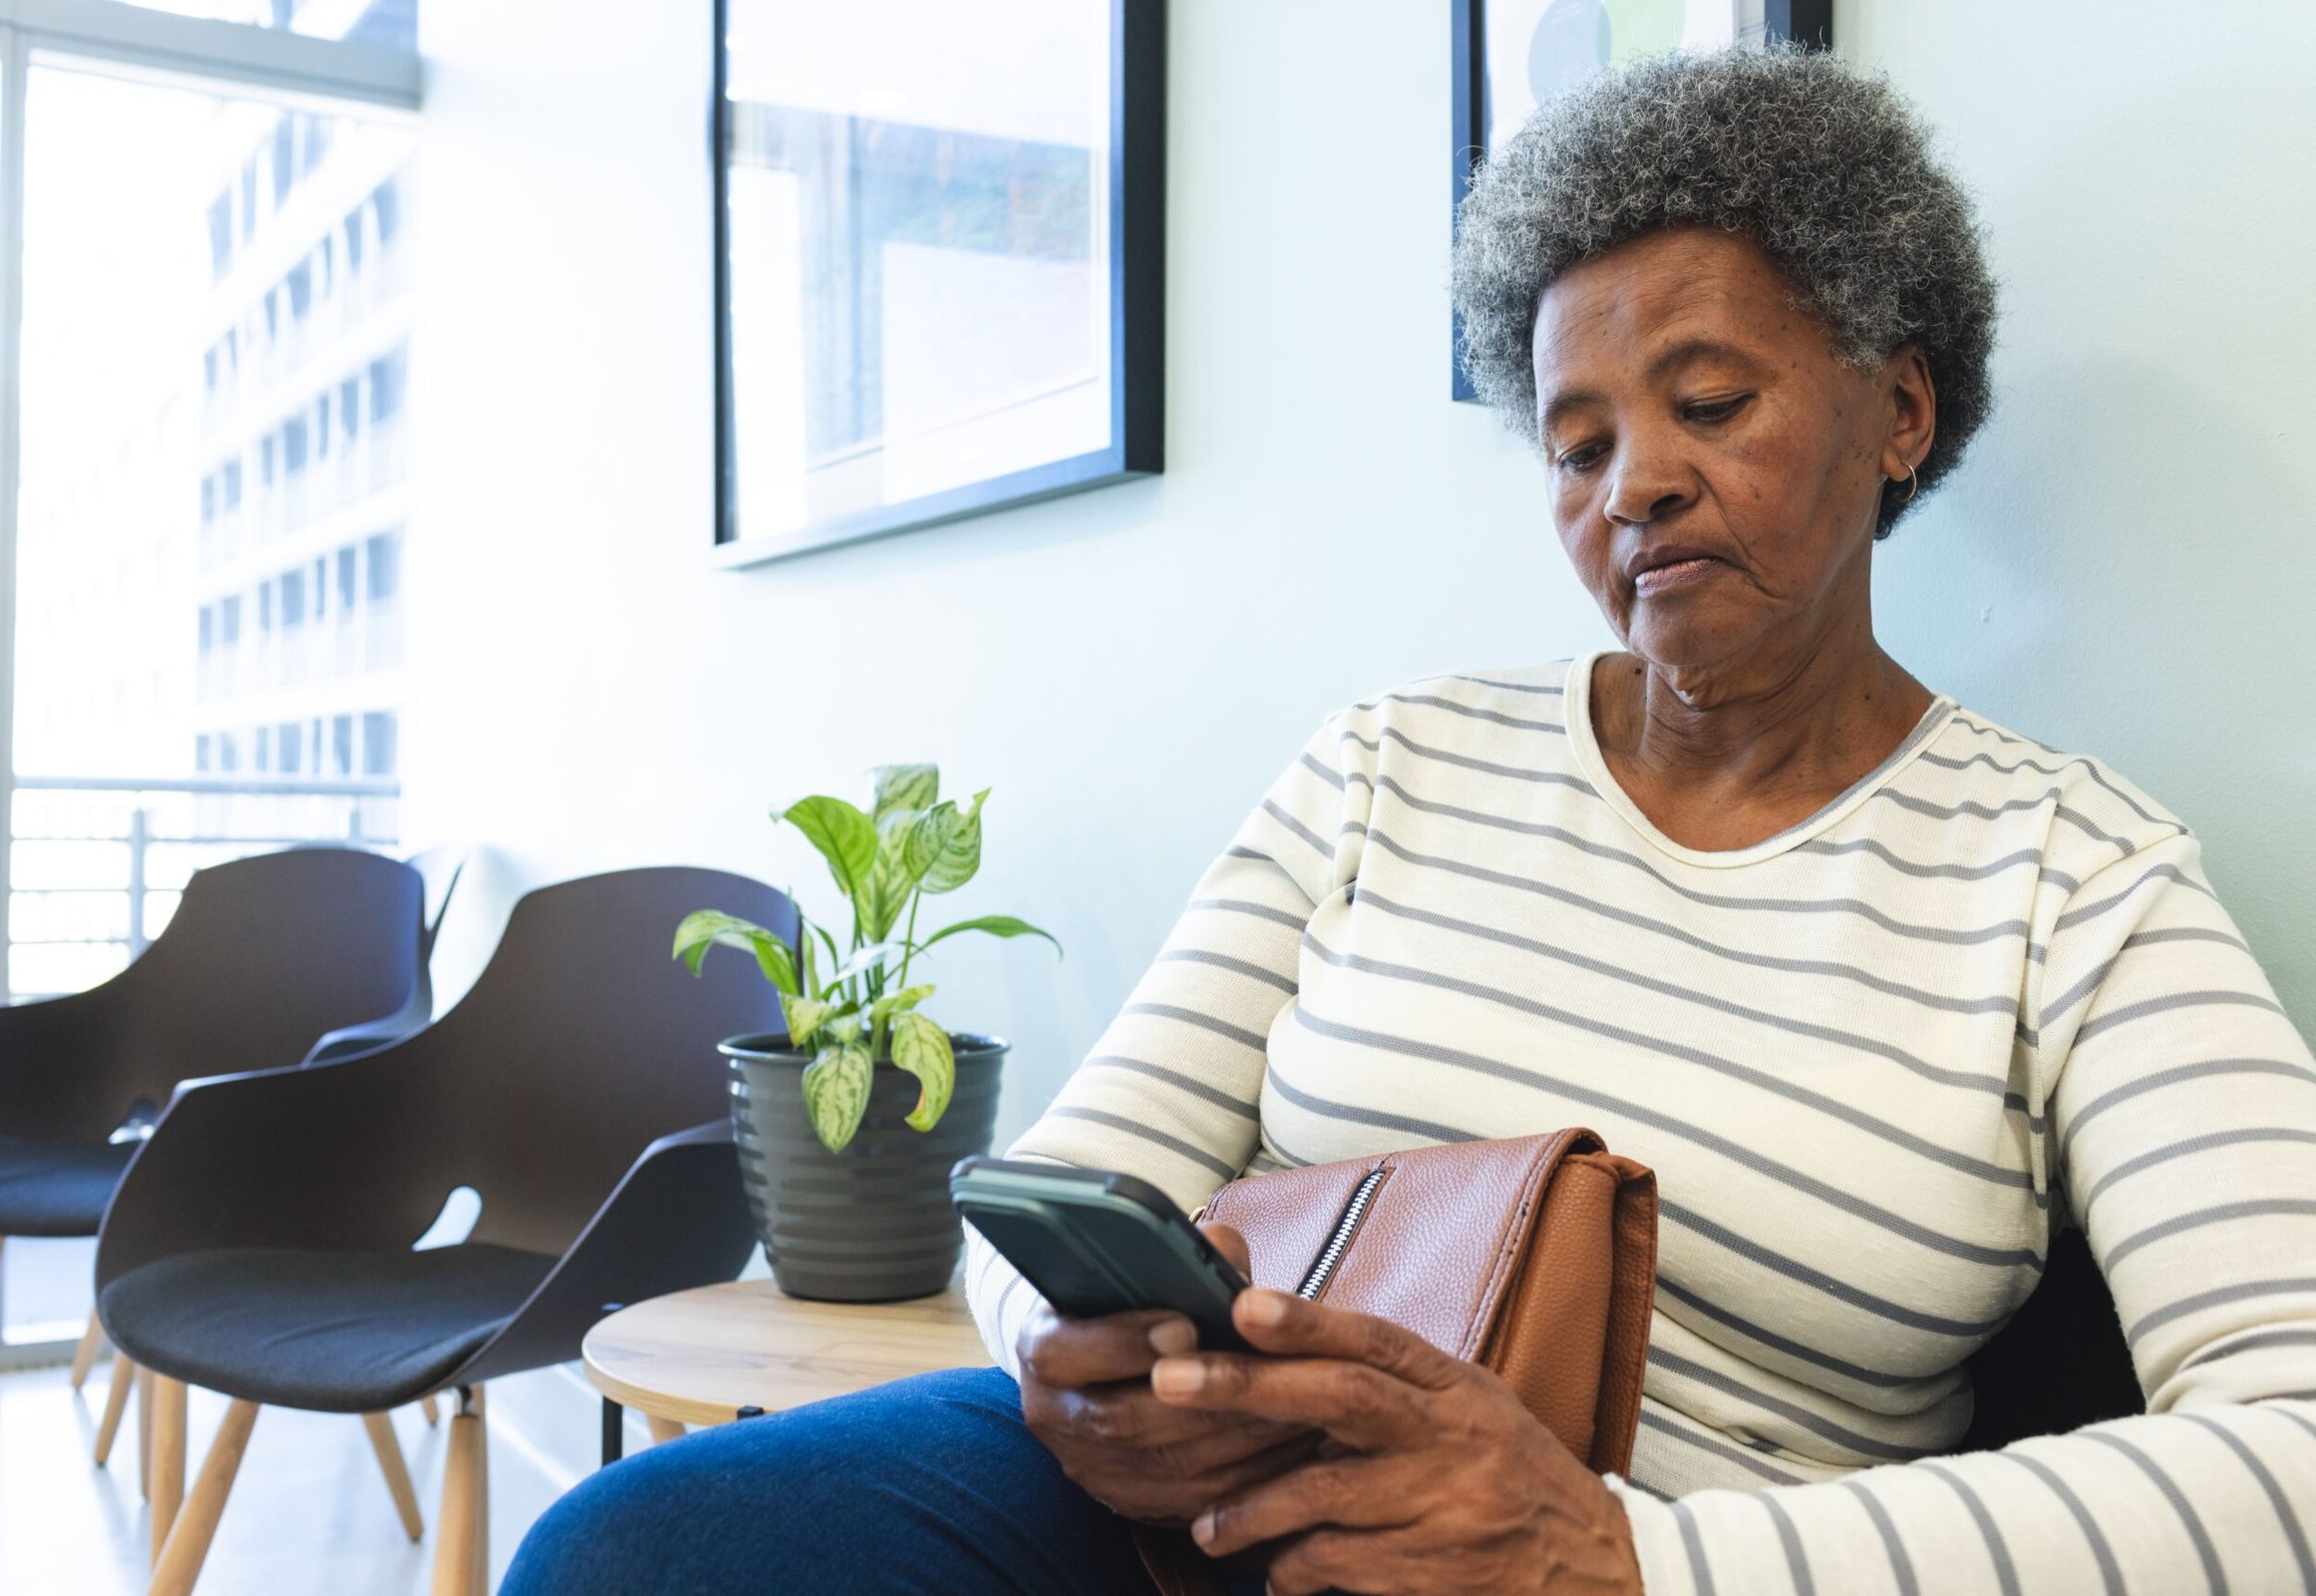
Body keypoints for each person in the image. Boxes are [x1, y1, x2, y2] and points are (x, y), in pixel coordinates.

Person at [503, 46, 2316, 1595]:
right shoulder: (1393, 763)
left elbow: (2296, 1443)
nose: (1637, 484)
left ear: (1901, 408)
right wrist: (1062, 1355)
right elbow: (1062, 1181)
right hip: (1209, 1509)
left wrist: (1617, 1551)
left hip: (1676, 1561)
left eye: (1709, 402)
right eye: (1577, 440)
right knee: (632, 1552)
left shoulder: (2075, 877)